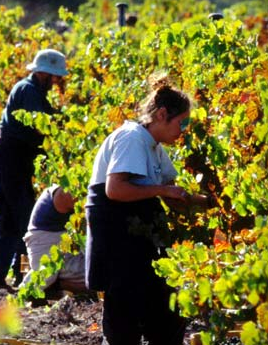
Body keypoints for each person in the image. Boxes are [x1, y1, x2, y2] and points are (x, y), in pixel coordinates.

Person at [84, 74, 215, 345]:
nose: (184, 130)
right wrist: (162, 191)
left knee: (163, 309)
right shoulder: (132, 137)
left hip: (137, 234)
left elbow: (172, 190)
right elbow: (115, 190)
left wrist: (211, 202)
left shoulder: (154, 147)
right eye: (183, 122)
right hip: (116, 233)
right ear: (163, 114)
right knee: (125, 311)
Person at [0, 49, 69, 297]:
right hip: (10, 158)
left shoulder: (33, 90)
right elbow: (40, 124)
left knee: (12, 219)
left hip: (13, 159)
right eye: (53, 77)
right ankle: (13, 278)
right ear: (43, 72)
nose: (55, 82)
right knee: (18, 218)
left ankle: (4, 277)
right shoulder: (29, 90)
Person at [19, 185, 85, 301]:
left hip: (66, 242)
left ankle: (55, 286)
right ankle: (30, 290)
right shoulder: (65, 193)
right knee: (49, 275)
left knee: (94, 272)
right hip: (45, 241)